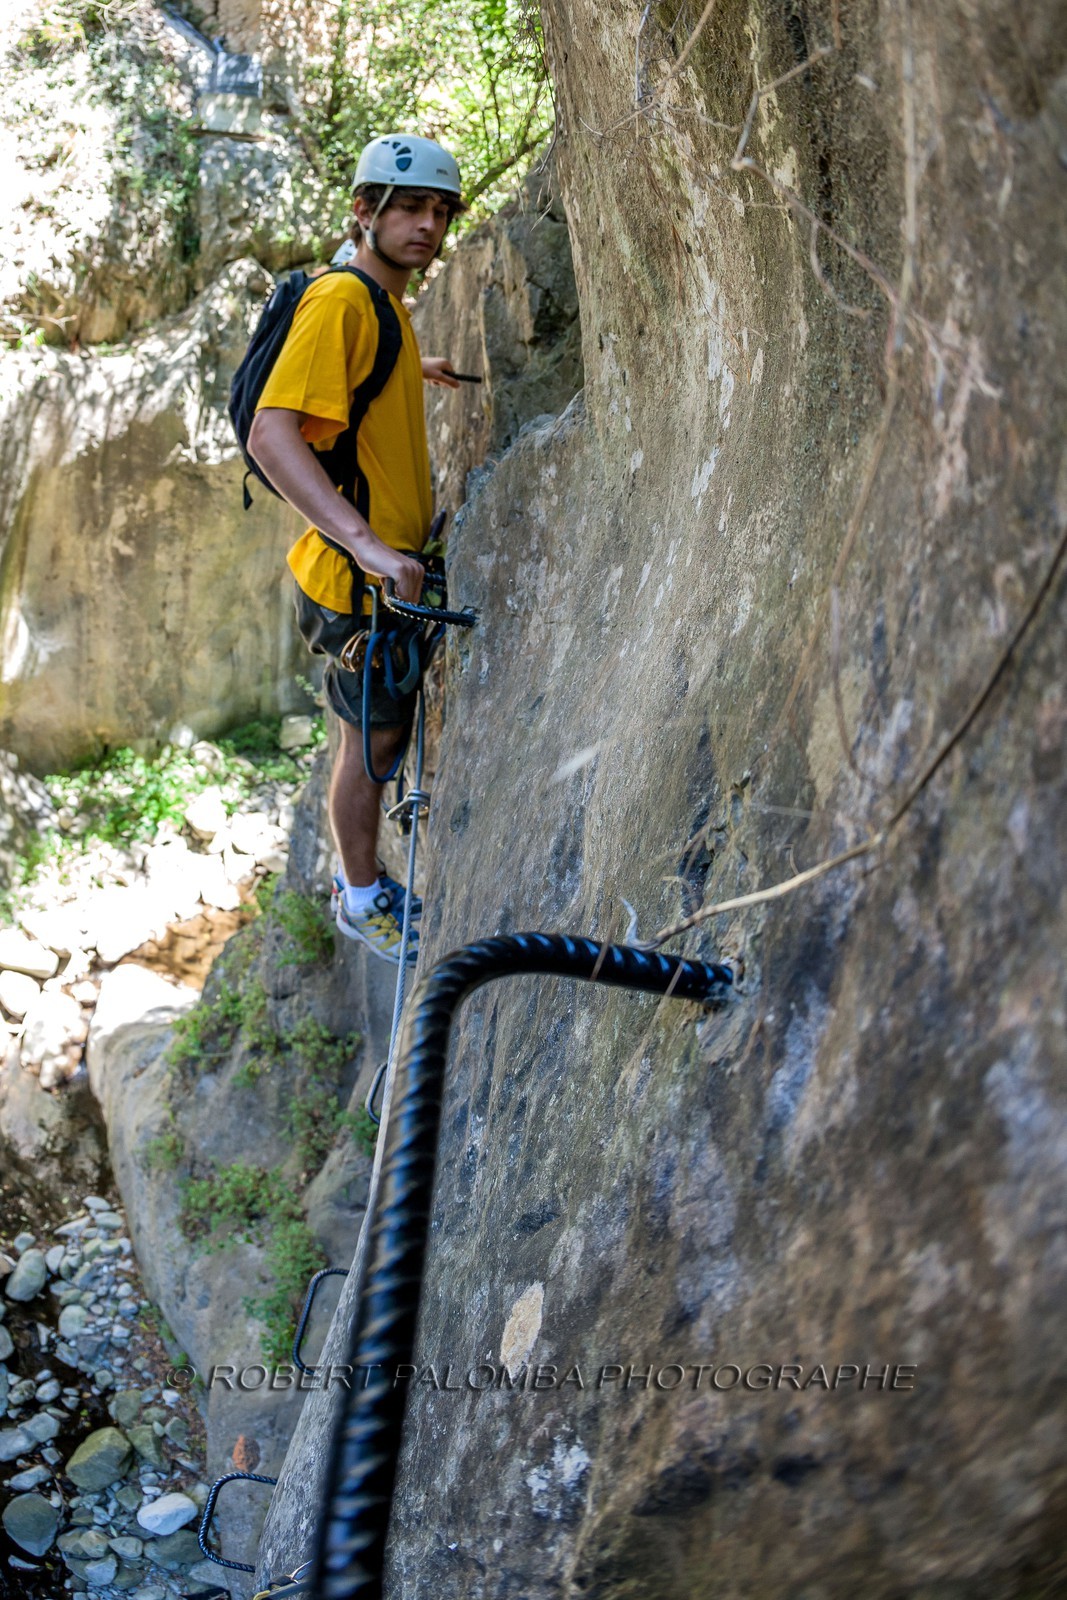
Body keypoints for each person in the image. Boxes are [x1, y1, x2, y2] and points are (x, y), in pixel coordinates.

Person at [247, 134, 465, 963]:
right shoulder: (344, 300)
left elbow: (356, 386)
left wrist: (415, 366)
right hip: (356, 583)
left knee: (373, 734)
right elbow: (272, 435)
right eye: (408, 208)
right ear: (364, 211)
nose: (426, 225)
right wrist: (368, 545)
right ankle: (361, 897)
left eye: (439, 211)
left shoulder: (381, 306)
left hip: (376, 572)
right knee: (369, 743)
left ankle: (360, 886)